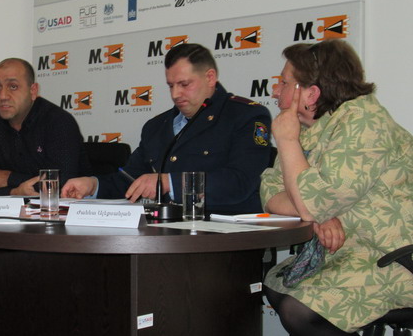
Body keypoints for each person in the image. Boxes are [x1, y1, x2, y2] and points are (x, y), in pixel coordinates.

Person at [262, 40, 413, 336]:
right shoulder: (315, 127)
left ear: (311, 93)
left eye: (284, 82)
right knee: (277, 285)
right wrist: (317, 213)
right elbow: (269, 191)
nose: (275, 90)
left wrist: (288, 145)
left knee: (299, 310)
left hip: (396, 257)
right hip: (353, 254)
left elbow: (310, 200)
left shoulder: (364, 122)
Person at [61, 43, 272, 214]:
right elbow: (129, 181)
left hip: (225, 234)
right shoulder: (156, 126)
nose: (175, 94)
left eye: (184, 84)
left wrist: (169, 182)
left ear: (210, 77)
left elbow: (240, 182)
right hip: (164, 232)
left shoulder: (246, 116)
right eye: (171, 86)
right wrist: (92, 185)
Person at [0, 58, 91, 196]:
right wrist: (14, 191)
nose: (3, 96)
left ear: (33, 91)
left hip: (63, 208)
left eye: (13, 86)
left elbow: (61, 184)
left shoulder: (58, 121)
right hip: (8, 208)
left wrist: (9, 178)